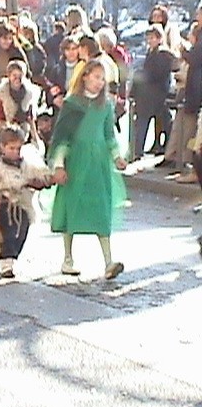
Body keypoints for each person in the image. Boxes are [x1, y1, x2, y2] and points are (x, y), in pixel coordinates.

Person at [48, 59, 127, 279]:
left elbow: (109, 136)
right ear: (85, 76)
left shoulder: (106, 106)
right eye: (96, 77)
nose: (100, 83)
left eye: (103, 79)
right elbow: (62, 137)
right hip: (77, 161)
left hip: (98, 164)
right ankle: (67, 258)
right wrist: (59, 164)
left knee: (102, 208)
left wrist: (117, 157)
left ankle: (108, 261)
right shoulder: (72, 104)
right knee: (71, 205)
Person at [0, 125, 55, 278]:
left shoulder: (27, 165)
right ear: (3, 147)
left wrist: (47, 181)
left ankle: (12, 255)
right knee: (8, 233)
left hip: (22, 205)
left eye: (18, 148)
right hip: (2, 206)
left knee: (22, 231)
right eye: (11, 148)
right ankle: (6, 262)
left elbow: (36, 181)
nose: (15, 152)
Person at [129, 24, 174, 161]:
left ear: (160, 38)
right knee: (151, 122)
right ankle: (140, 150)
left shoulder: (162, 54)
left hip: (154, 94)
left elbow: (157, 74)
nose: (150, 41)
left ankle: (139, 150)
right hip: (151, 95)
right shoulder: (154, 53)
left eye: (152, 38)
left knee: (146, 122)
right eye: (148, 38)